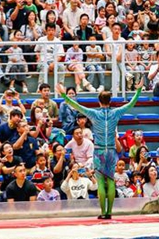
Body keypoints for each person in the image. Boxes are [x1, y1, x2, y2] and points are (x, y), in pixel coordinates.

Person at [57, 80, 143, 219]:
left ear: (99, 101)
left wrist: (63, 95)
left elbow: (76, 105)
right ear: (110, 100)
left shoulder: (94, 114)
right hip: (111, 151)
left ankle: (103, 212)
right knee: (110, 181)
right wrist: (138, 90)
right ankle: (109, 212)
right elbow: (131, 104)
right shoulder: (116, 113)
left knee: (101, 183)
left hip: (98, 151)